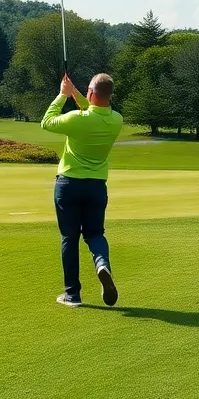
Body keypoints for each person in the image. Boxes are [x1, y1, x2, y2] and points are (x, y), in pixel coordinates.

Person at [41, 72, 124, 308]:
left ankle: (72, 294)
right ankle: (101, 263)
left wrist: (62, 95)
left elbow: (46, 121)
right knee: (95, 234)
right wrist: (76, 92)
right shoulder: (116, 120)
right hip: (96, 187)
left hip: (69, 184)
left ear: (91, 93)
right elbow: (94, 110)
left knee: (70, 237)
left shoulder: (76, 119)